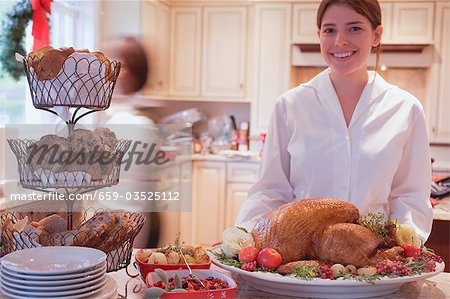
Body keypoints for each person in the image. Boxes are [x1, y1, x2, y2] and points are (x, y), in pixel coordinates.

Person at [235, 0, 433, 242]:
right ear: (319, 35)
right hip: (301, 260)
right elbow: (270, 191)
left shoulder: (405, 109)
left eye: (354, 28)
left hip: (373, 261)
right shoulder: (290, 106)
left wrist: (403, 247)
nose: (340, 41)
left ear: (376, 35)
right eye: (330, 30)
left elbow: (410, 196)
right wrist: (243, 241)